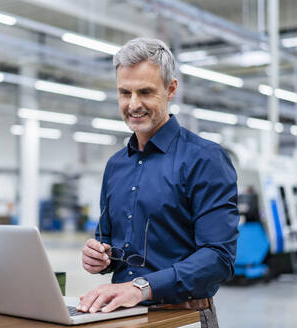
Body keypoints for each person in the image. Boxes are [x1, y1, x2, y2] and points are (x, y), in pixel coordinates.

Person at [78, 37, 239, 328]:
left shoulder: (205, 159)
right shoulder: (116, 165)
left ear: (171, 89)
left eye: (145, 92)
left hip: (182, 316)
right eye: (124, 93)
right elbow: (112, 244)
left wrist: (140, 287)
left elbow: (219, 258)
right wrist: (100, 256)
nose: (133, 104)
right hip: (121, 314)